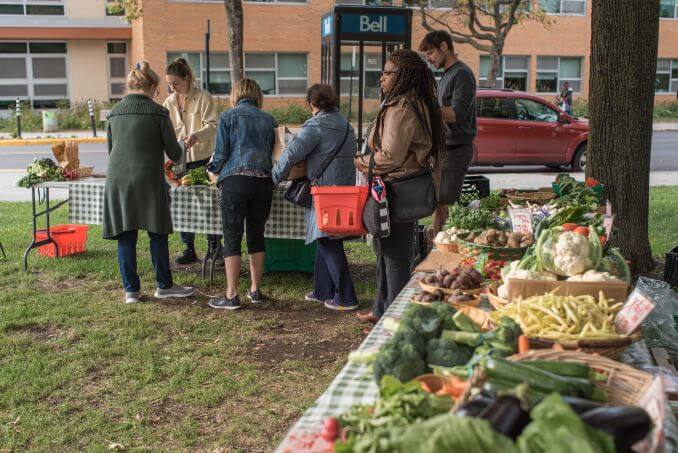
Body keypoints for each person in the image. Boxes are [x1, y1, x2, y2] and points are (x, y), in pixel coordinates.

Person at [354, 49, 444, 323]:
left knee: (394, 258)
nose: (381, 77)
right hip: (395, 188)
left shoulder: (402, 108)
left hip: (397, 191)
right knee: (385, 253)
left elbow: (390, 156)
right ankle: (381, 310)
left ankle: (392, 320)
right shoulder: (408, 103)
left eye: (387, 72)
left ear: (403, 76)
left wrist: (363, 162)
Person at [103, 61, 194, 304]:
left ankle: (130, 291)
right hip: (148, 178)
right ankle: (163, 285)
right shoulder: (158, 112)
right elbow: (174, 154)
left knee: (126, 234)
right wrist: (184, 145)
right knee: (157, 232)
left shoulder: (113, 113)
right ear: (152, 86)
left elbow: (111, 149)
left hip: (117, 180)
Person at [272, 84, 359, 312]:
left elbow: (291, 154)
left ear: (311, 104)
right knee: (326, 237)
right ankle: (323, 291)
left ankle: (347, 297)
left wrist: (274, 176)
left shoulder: (316, 126)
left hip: (324, 191)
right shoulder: (346, 125)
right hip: (344, 190)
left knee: (327, 240)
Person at [206, 79, 277, 310]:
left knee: (232, 236)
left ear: (235, 94)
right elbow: (276, 155)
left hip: (235, 181)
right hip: (263, 183)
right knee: (256, 235)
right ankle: (255, 290)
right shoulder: (269, 120)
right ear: (257, 95)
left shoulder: (228, 117)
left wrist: (212, 171)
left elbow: (220, 153)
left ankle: (231, 294)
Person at [163, 57, 221, 265]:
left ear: (187, 78)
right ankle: (189, 248)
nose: (172, 87)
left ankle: (215, 247)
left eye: (176, 83)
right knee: (183, 205)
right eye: (169, 83)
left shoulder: (204, 97)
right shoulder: (168, 103)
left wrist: (197, 135)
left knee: (208, 204)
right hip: (179, 160)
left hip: (203, 159)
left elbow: (214, 125)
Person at [419, 30, 477, 237]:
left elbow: (456, 115)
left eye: (431, 53)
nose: (429, 59)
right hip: (443, 149)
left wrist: (428, 106)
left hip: (456, 150)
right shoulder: (446, 75)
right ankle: (437, 249)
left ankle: (442, 255)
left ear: (444, 46)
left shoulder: (462, 74)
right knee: (438, 206)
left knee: (445, 206)